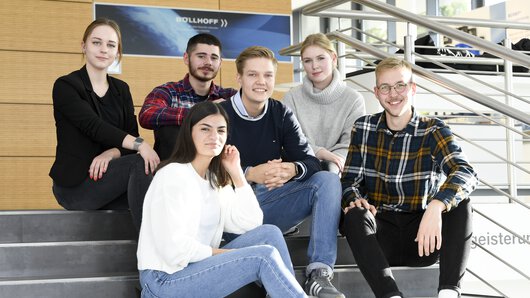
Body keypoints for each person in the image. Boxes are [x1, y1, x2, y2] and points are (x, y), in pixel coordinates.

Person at [340, 57, 478, 298]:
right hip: (381, 238)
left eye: (400, 85)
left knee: (460, 202)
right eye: (385, 87)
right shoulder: (363, 128)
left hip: (424, 237)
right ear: (376, 92)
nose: (393, 93)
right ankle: (390, 295)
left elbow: (465, 172)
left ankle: (448, 293)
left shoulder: (433, 129)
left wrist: (436, 206)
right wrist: (355, 199)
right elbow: (348, 182)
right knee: (353, 214)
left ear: (412, 88)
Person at [137, 101, 306, 298]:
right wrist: (228, 255)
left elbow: (250, 223)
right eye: (205, 129)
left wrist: (237, 173)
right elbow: (174, 250)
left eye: (221, 130)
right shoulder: (173, 175)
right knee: (263, 256)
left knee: (269, 233)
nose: (214, 137)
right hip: (163, 280)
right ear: (189, 133)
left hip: (195, 267)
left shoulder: (214, 179)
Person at [221, 46, 345, 298]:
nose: (261, 82)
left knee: (328, 180)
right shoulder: (219, 114)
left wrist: (292, 168)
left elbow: (310, 162)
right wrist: (249, 173)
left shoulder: (280, 112)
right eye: (253, 75)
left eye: (268, 75)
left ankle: (319, 273)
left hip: (271, 202)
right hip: (230, 213)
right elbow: (203, 171)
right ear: (239, 79)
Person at [49, 18, 160, 231]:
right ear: (83, 46)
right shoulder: (66, 86)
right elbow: (93, 126)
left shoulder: (121, 89)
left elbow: (130, 134)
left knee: (157, 182)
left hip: (109, 184)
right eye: (96, 42)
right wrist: (142, 145)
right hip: (75, 187)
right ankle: (151, 252)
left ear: (117, 52)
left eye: (111, 45)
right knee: (140, 160)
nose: (103, 50)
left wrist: (111, 153)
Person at [139, 33, 237, 160]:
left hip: (216, 172)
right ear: (186, 58)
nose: (208, 62)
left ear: (220, 63)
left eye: (214, 58)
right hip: (172, 170)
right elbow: (147, 115)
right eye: (201, 56)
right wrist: (204, 111)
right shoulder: (168, 91)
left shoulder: (229, 96)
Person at [283, 33, 365, 174]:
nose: (315, 66)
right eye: (308, 61)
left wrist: (332, 163)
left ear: (334, 58)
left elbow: (350, 144)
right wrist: (320, 153)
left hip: (337, 168)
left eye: (321, 58)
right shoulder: (291, 97)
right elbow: (288, 140)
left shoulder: (353, 99)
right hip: (300, 167)